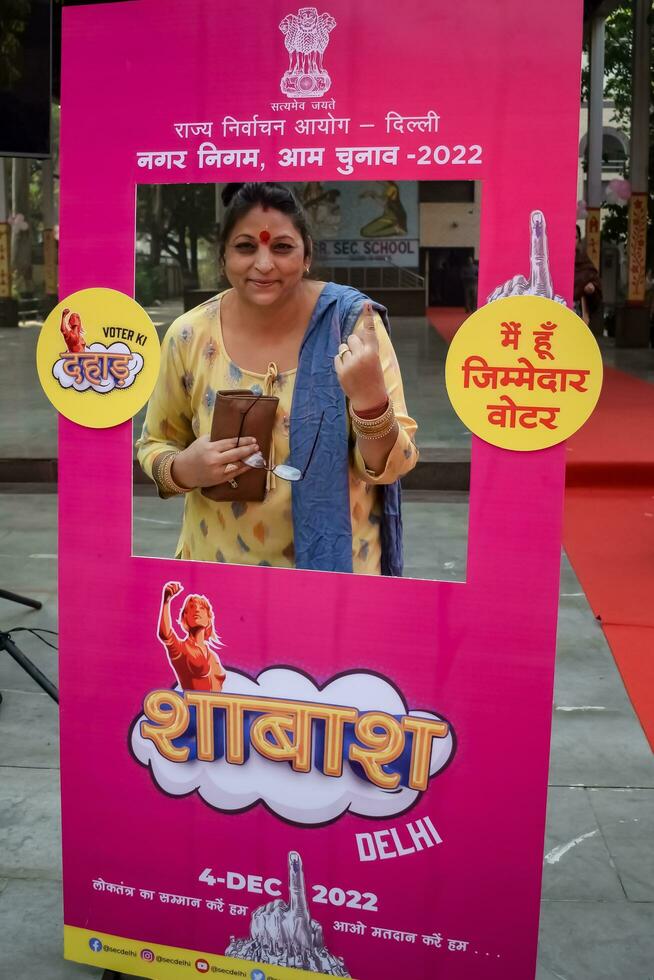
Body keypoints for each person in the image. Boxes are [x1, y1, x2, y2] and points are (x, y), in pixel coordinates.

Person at [137, 182, 418, 575]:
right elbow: (154, 444)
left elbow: (394, 466)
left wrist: (371, 402)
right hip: (217, 577)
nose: (264, 264)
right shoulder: (189, 336)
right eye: (246, 247)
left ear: (307, 256)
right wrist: (184, 469)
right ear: (222, 257)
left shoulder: (351, 328)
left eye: (282, 247)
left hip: (336, 576)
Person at [157, 581, 226, 692]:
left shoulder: (213, 656)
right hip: (193, 708)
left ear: (209, 619)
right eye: (192, 607)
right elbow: (165, 634)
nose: (197, 610)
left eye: (202, 608)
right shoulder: (182, 649)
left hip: (217, 708)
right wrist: (166, 601)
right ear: (185, 617)